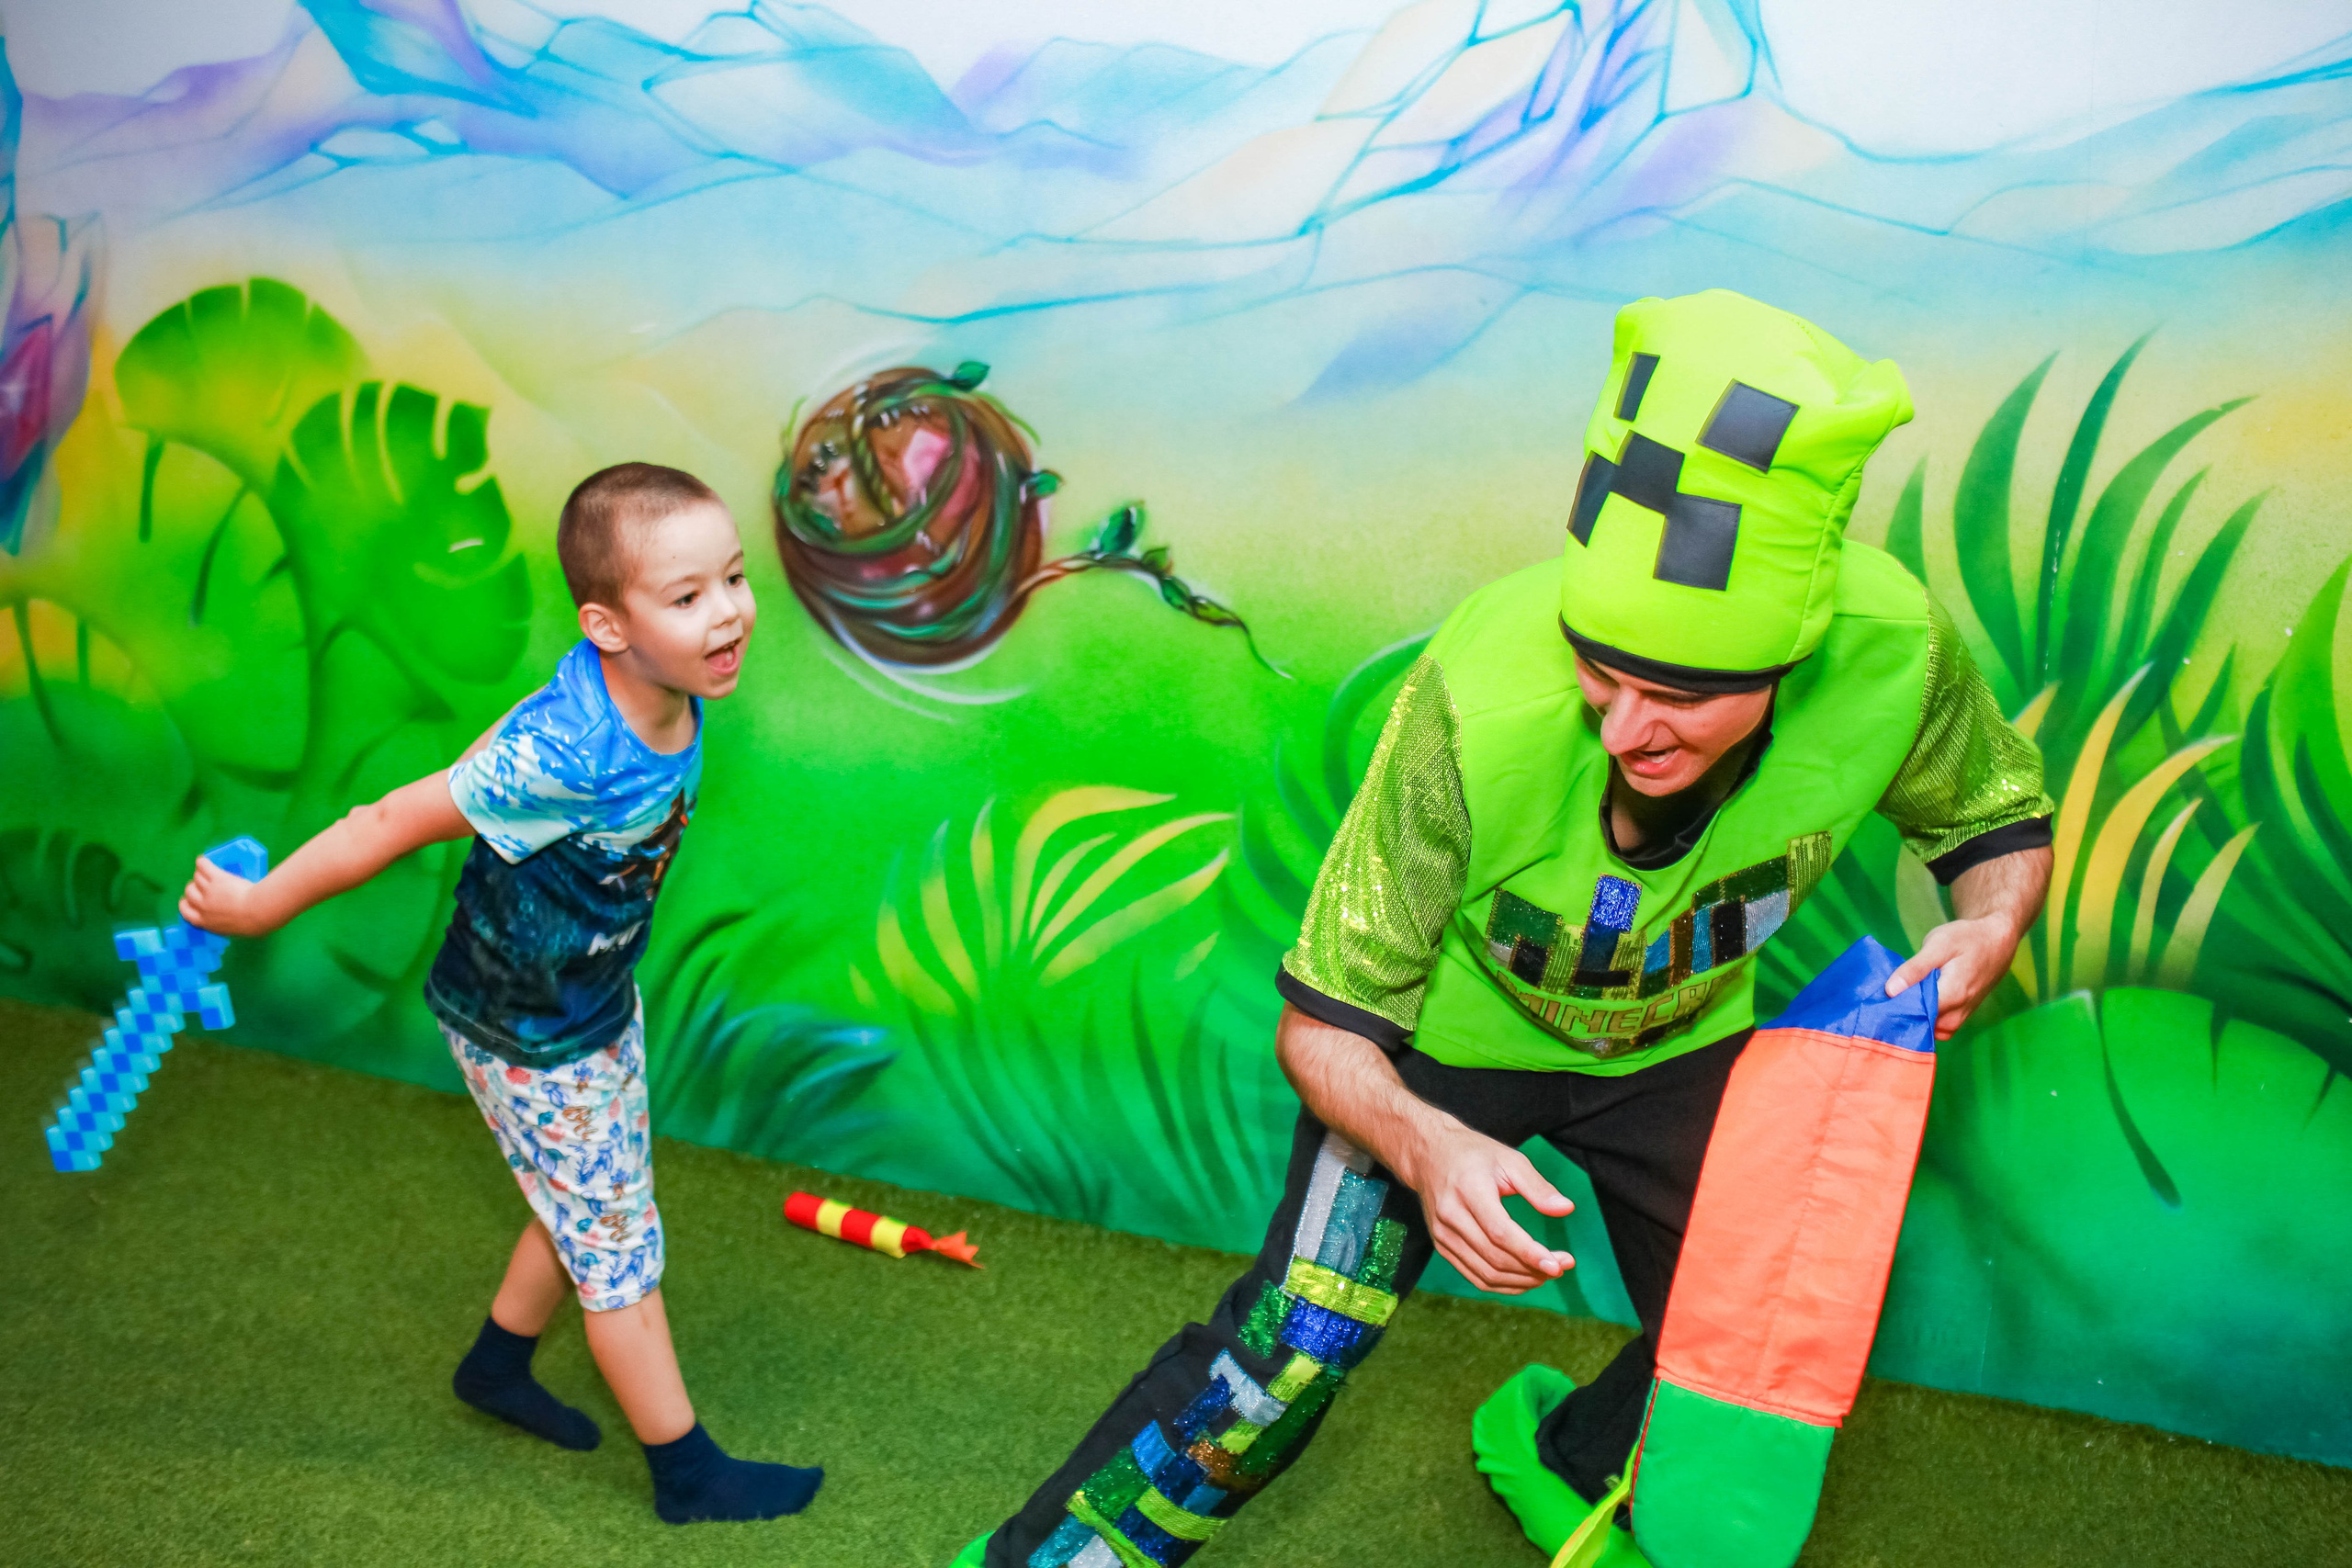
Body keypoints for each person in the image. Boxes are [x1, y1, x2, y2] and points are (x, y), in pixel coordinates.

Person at [951, 289, 2053, 1568]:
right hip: (1438, 1046)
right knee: (1291, 1348)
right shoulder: (1480, 697)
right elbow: (1320, 1028)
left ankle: (1574, 1455)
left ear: (1794, 658)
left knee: (1750, 1342)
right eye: (1604, 669)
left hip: (1683, 1041)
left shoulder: (1896, 654)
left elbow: (1996, 825)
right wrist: (1427, 1146)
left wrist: (1989, 928)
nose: (1630, 725)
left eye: (1682, 692)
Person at [178, 462, 823, 1527]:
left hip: (587, 997)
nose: (730, 615)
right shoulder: (562, 751)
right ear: (607, 627)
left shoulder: (666, 692)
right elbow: (387, 820)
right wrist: (256, 909)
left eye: (735, 580)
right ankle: (688, 1473)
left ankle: (495, 1365)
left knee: (584, 1199)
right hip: (528, 1030)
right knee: (617, 1253)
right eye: (688, 596)